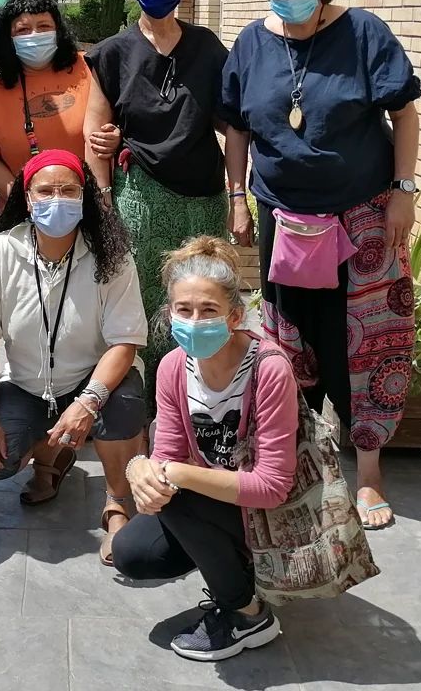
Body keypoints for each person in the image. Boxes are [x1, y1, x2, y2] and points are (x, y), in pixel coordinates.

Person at [218, 0, 421, 530]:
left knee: (364, 342)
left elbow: (404, 113)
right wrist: (237, 198)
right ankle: (293, 463)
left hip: (362, 216)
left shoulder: (363, 33)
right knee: (289, 340)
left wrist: (404, 191)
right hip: (284, 218)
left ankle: (369, 473)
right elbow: (237, 130)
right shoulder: (252, 43)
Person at [112, 237, 298, 663]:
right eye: (184, 310)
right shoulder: (173, 367)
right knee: (133, 552)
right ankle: (231, 562)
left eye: (209, 310)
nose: (195, 321)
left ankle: (248, 615)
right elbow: (168, 453)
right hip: (217, 500)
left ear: (234, 316)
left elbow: (273, 487)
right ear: (169, 313)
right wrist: (140, 469)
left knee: (177, 491)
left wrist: (173, 475)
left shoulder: (268, 369)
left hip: (269, 515)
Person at [0, 149, 147, 564]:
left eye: (68, 190)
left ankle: (117, 504)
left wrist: (88, 402)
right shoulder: (1, 252)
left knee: (123, 407)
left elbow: (124, 342)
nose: (57, 199)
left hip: (95, 382)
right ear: (27, 199)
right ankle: (50, 455)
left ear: (85, 197)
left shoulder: (111, 255)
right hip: (25, 385)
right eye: (46, 191)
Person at [84, 0, 230, 398]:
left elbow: (233, 124)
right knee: (145, 304)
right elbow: (95, 134)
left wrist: (242, 192)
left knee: (203, 302)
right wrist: (104, 201)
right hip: (140, 201)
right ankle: (149, 407)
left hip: (204, 200)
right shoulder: (111, 54)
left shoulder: (207, 48)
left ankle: (204, 402)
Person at [0, 0, 118, 213]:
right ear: (8, 38)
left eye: (44, 26)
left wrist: (116, 136)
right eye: (23, 29)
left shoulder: (90, 68)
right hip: (24, 213)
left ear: (58, 31)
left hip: (90, 208)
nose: (34, 35)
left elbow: (122, 120)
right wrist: (24, 199)